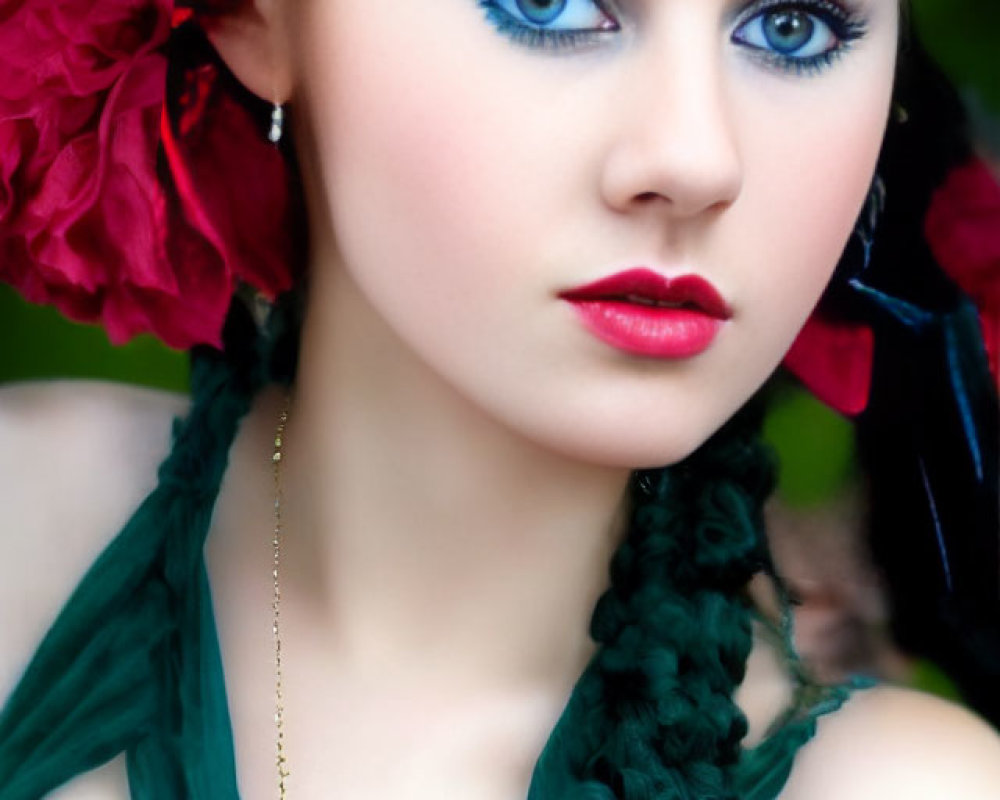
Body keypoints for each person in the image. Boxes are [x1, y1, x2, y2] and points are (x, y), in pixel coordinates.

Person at [1, 0, 999, 798]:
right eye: (549, 4)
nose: (697, 160)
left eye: (794, 25)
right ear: (253, 17)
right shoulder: (23, 538)